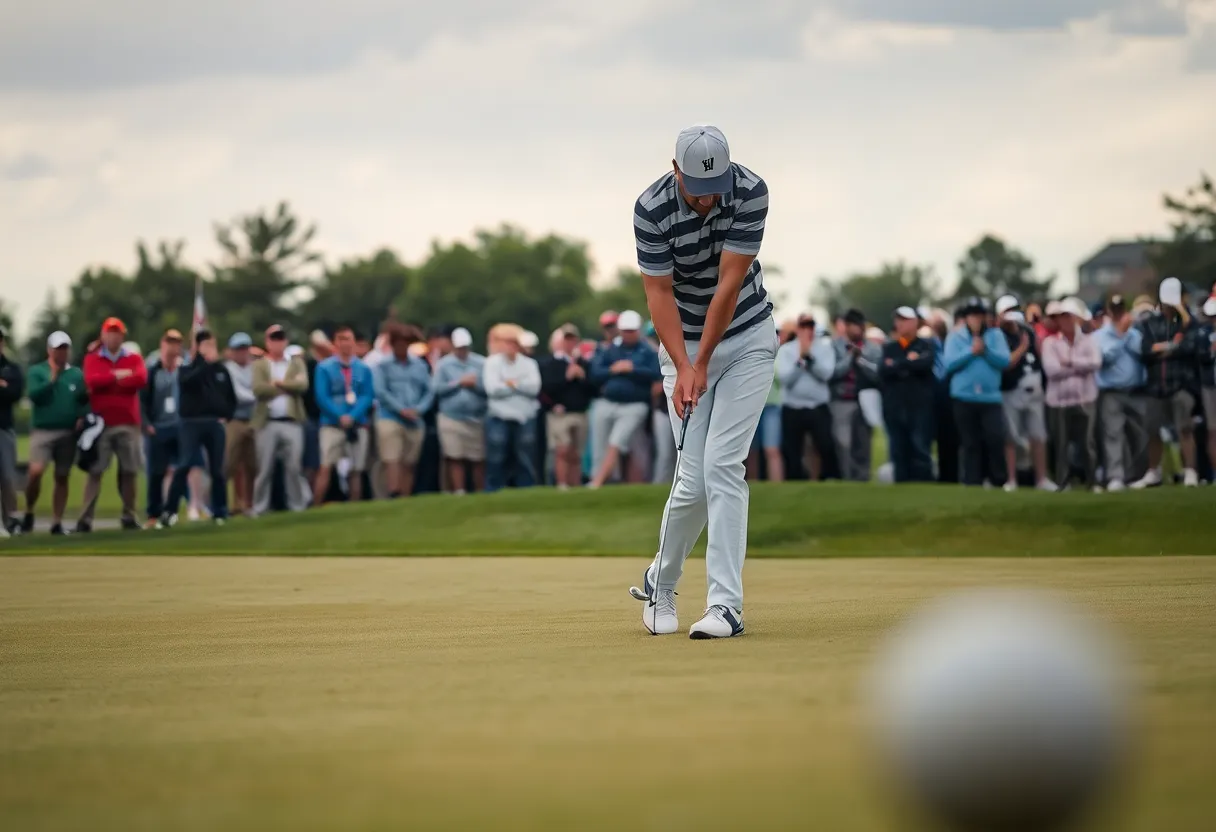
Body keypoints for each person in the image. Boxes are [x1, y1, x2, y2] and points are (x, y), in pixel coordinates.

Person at [630, 124, 777, 639]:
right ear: (676, 171)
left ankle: (725, 607)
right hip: (681, 344)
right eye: (695, 187)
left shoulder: (751, 191)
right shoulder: (650, 208)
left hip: (747, 338)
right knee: (691, 480)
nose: (706, 198)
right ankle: (660, 583)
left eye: (714, 187)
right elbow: (659, 294)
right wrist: (685, 364)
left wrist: (705, 360)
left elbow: (729, 284)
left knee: (723, 465)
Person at [158, 329, 237, 526]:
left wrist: (227, 415)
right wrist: (203, 362)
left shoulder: (221, 370)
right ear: (198, 348)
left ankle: (220, 511)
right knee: (184, 465)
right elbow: (189, 382)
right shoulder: (187, 368)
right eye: (207, 345)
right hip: (191, 423)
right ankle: (170, 511)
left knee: (217, 470)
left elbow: (230, 397)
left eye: (213, 345)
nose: (212, 349)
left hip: (214, 423)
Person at [78, 317, 147, 532]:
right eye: (110, 332)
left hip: (128, 422)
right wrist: (118, 376)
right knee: (96, 470)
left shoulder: (133, 358)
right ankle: (85, 518)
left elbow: (140, 379)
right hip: (102, 424)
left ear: (122, 336)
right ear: (103, 335)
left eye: (117, 333)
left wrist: (109, 379)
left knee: (129, 471)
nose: (113, 336)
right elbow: (92, 380)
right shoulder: (93, 358)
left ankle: (129, 515)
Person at [1132, 277, 1201, 488]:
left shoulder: (1188, 321)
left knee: (1184, 430)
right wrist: (1171, 347)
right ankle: (1153, 472)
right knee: (1153, 431)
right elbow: (1145, 352)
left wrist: (1161, 349)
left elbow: (1189, 348)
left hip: (1181, 385)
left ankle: (1190, 471)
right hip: (1155, 386)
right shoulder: (1150, 323)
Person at [20, 332, 87, 534]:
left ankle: (57, 522)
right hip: (43, 431)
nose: (62, 352)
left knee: (62, 476)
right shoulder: (37, 371)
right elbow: (34, 395)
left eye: (65, 348)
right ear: (49, 350)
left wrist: (82, 416)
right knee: (36, 472)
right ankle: (29, 510)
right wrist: (53, 378)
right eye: (58, 348)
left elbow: (84, 400)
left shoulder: (76, 374)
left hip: (67, 432)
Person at [587, 310, 661, 489]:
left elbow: (657, 373)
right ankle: (600, 481)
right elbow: (595, 374)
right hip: (607, 402)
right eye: (625, 330)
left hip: (635, 405)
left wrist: (632, 369)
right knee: (599, 446)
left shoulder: (647, 350)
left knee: (616, 442)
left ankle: (597, 483)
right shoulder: (609, 349)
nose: (629, 334)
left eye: (632, 330)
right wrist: (614, 369)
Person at [943, 298, 1011, 487]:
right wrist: (971, 351)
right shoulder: (955, 337)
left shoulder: (996, 336)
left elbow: (1004, 361)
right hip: (963, 397)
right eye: (973, 316)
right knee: (970, 442)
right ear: (966, 318)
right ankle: (972, 480)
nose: (977, 320)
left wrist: (985, 351)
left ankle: (998, 479)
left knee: (995, 438)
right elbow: (949, 364)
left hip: (990, 397)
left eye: (980, 315)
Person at [994, 295, 1054, 491]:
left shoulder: (1027, 330)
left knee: (1038, 435)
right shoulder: (998, 336)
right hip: (1011, 389)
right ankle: (1012, 479)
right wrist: (1022, 348)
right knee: (1011, 437)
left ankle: (1041, 479)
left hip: (1034, 387)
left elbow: (1039, 357)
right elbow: (1006, 362)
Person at [1041, 299, 1102, 491]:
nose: (1065, 321)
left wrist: (1069, 362)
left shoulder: (1089, 340)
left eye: (1068, 317)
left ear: (1076, 319)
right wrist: (1079, 367)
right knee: (1060, 444)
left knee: (1087, 444)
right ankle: (1063, 482)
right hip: (1058, 402)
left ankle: (1091, 481)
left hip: (1085, 398)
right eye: (1062, 317)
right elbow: (1052, 370)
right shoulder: (1050, 342)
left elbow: (1095, 363)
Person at [251, 324, 310, 515]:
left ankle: (297, 505)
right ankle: (260, 507)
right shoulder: (260, 364)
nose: (278, 343)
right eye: (274, 339)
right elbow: (259, 389)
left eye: (281, 338)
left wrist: (279, 383)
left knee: (294, 466)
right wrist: (287, 387)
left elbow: (302, 386)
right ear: (267, 342)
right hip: (267, 422)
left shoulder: (295, 363)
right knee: (264, 467)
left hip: (291, 420)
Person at [313, 326, 375, 504]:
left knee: (356, 469)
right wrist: (340, 416)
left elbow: (367, 395)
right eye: (341, 339)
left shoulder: (363, 368)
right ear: (335, 343)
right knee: (326, 466)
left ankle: (354, 504)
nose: (345, 343)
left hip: (357, 423)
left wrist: (353, 416)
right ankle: (316, 505)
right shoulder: (324, 368)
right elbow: (322, 396)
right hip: (332, 424)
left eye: (349, 339)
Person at [372, 323, 433, 498]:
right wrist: (401, 410)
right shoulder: (383, 366)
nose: (402, 347)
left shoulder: (419, 366)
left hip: (415, 418)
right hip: (389, 416)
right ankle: (393, 492)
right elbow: (381, 392)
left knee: (409, 461)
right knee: (392, 458)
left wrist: (419, 409)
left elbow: (429, 390)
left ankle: (404, 497)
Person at [1094, 294, 1148, 492]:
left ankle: (1140, 475)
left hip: (1136, 391)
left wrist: (1126, 335)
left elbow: (1143, 353)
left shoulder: (1135, 334)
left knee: (1141, 434)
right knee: (1113, 434)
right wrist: (1121, 336)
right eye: (1114, 310)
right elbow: (1105, 359)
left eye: (1120, 310)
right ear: (1109, 312)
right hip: (1111, 392)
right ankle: (1115, 476)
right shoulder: (1099, 336)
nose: (1118, 314)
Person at [776, 315, 839, 481]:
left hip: (817, 406)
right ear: (798, 329)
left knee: (825, 445)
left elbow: (826, 375)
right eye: (803, 326)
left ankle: (828, 477)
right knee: (792, 449)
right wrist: (800, 360)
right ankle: (794, 479)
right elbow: (785, 379)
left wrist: (810, 359)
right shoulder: (787, 350)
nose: (807, 330)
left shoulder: (825, 348)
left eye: (810, 326)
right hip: (793, 406)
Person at [879, 307, 937, 483]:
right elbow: (883, 370)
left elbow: (925, 364)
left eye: (904, 320)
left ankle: (922, 483)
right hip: (895, 406)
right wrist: (908, 362)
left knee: (919, 447)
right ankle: (901, 483)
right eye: (898, 320)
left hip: (919, 406)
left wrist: (897, 365)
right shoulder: (890, 347)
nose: (899, 324)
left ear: (914, 323)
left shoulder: (925, 344)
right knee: (898, 448)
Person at [482, 326, 542, 491]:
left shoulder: (529, 364)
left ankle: (526, 489)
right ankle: (494, 489)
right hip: (499, 416)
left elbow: (534, 388)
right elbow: (493, 389)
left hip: (524, 416)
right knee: (496, 457)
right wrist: (517, 385)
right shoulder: (492, 363)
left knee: (525, 457)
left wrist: (510, 384)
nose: (510, 346)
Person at [539, 323, 595, 490]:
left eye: (573, 340)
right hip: (560, 413)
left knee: (576, 453)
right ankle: (562, 484)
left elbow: (593, 388)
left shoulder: (583, 363)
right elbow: (546, 388)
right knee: (562, 450)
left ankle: (575, 485)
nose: (570, 344)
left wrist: (583, 377)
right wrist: (567, 377)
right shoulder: (551, 364)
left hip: (580, 411)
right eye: (567, 340)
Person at [433, 327, 488, 494]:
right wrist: (458, 383)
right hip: (451, 416)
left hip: (476, 416)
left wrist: (475, 385)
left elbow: (488, 388)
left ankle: (479, 490)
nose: (462, 351)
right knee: (455, 455)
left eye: (465, 348)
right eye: (459, 348)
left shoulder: (481, 363)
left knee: (477, 457)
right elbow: (436, 389)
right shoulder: (443, 365)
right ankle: (459, 490)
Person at [829, 308, 882, 482]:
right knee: (843, 443)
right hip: (842, 399)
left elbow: (877, 374)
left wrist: (861, 360)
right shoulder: (835, 346)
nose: (857, 329)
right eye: (853, 325)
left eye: (859, 325)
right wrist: (850, 357)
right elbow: (833, 373)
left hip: (866, 399)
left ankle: (862, 477)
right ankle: (847, 477)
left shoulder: (873, 349)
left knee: (863, 443)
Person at [224, 332, 258, 516]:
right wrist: (259, 395)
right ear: (232, 351)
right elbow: (238, 394)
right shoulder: (228, 369)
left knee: (252, 464)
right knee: (229, 463)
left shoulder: (256, 367)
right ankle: (226, 503)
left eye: (245, 348)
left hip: (253, 420)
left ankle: (248, 504)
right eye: (239, 349)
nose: (242, 353)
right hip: (234, 419)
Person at [0, 325, 25, 535]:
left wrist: (5, 388)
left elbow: (13, 394)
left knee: (8, 476)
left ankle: (11, 522)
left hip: (4, 429)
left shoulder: (11, 369)